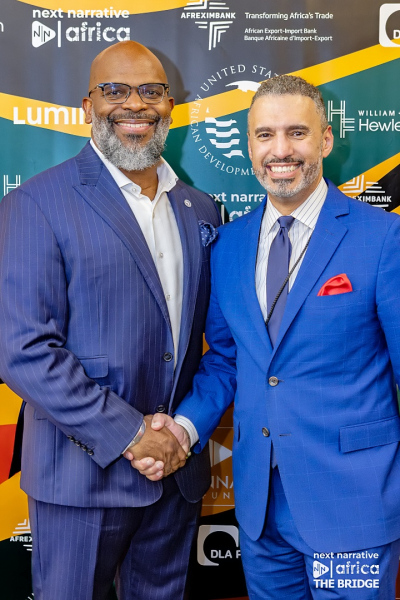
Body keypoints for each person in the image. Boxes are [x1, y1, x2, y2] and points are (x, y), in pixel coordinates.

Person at [133, 75, 400, 599]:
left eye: (297, 133)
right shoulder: (227, 244)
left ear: (325, 140)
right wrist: (183, 429)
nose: (280, 151)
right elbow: (225, 361)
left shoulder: (382, 238)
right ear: (250, 145)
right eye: (265, 135)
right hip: (260, 511)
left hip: (354, 505)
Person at [0, 40, 220, 600]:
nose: (134, 104)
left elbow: (215, 345)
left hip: (175, 474)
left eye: (151, 91)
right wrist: (133, 436)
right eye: (114, 90)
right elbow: (24, 350)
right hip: (81, 479)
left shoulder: (200, 208)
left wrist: (181, 433)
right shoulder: (37, 203)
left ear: (170, 106)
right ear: (88, 106)